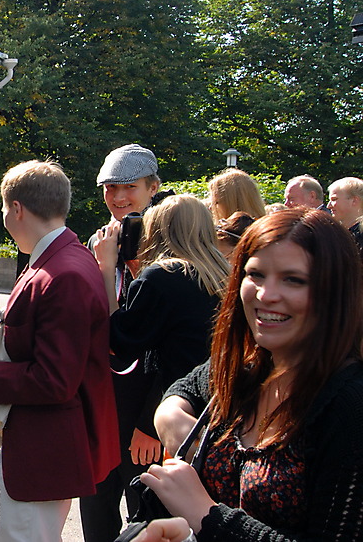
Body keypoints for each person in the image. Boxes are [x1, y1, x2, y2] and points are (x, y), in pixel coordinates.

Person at [144, 208, 363, 540]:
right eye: (256, 274)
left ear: (335, 291)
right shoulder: (251, 365)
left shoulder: (350, 405)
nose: (266, 294)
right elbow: (184, 391)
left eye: (293, 279)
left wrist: (205, 514)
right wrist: (170, 419)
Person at [0, 160, 118, 542]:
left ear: (17, 209)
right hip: (43, 444)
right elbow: (45, 339)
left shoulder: (63, 273)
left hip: (44, 447)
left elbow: (55, 379)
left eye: (3, 208)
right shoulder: (64, 257)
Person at [93, 194, 229, 455]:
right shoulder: (221, 273)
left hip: (179, 410)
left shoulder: (163, 276)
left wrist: (106, 268)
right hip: (214, 409)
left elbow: (118, 342)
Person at [81, 143, 166, 542]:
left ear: (153, 188)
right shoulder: (98, 241)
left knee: (145, 524)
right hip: (100, 412)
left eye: (129, 186)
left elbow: (174, 349)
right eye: (110, 187)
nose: (118, 197)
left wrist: (151, 423)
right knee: (96, 520)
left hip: (144, 418)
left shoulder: (169, 246)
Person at [327, 176, 363, 258]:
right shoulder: (337, 234)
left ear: (354, 200)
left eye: (334, 199)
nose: (329, 206)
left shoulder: (359, 237)